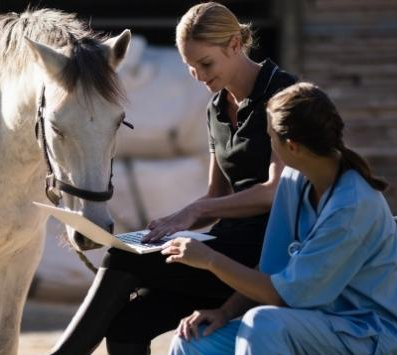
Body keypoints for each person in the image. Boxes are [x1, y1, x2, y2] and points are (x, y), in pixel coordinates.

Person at [50, 3, 297, 354]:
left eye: (205, 64)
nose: (197, 74)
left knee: (124, 260)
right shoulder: (215, 107)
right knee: (127, 324)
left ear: (234, 45)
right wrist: (172, 224)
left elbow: (276, 192)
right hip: (226, 242)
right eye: (189, 66)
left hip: (270, 250)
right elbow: (216, 194)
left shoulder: (283, 95)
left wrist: (193, 213)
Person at [164, 82, 397, 354]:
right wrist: (225, 312)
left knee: (263, 323)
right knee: (192, 340)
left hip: (366, 337)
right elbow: (270, 273)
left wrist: (210, 260)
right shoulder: (294, 180)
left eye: (270, 139)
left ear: (292, 147)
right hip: (307, 328)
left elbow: (283, 296)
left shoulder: (352, 206)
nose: (269, 147)